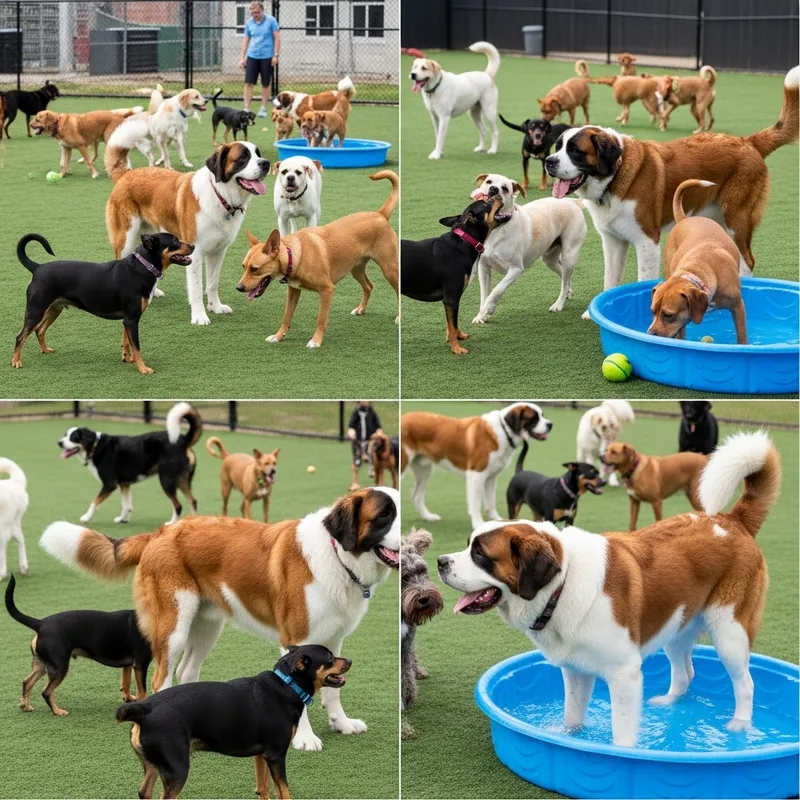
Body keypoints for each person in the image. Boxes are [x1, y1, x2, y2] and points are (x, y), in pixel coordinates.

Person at [239, 1, 280, 118]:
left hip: (267, 57)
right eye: (253, 12)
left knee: (265, 83)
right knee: (248, 83)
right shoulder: (249, 23)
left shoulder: (271, 21)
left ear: (262, 11)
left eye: (257, 12)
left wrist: (275, 55)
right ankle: (246, 108)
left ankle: (263, 108)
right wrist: (242, 57)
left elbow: (277, 38)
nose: (255, 14)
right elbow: (245, 40)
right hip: (252, 56)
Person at [347, 401, 383, 491]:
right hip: (358, 442)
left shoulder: (371, 412)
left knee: (375, 459)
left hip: (370, 441)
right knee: (356, 461)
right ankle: (355, 483)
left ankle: (377, 481)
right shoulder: (356, 413)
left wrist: (378, 433)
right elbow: (351, 426)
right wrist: (351, 432)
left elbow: (378, 426)